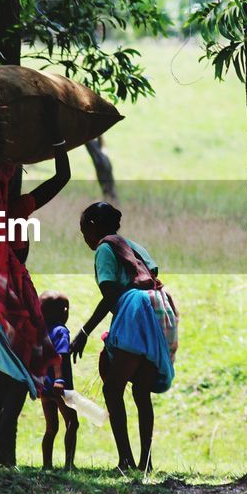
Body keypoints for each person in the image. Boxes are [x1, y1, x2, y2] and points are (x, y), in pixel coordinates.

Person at [0, 104, 70, 466]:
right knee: (21, 368)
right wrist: (58, 142)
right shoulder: (11, 211)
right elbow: (60, 179)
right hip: (7, 300)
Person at [71, 202, 178, 472]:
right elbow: (151, 277)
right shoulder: (135, 246)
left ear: (93, 226)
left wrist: (84, 332)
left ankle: (126, 461)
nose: (84, 238)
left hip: (135, 310)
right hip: (160, 306)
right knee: (141, 390)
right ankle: (146, 462)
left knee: (112, 389)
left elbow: (111, 296)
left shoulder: (105, 248)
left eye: (84, 231)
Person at [38, 291, 79, 470]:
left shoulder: (40, 332)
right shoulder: (61, 331)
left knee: (51, 428)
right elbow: (59, 356)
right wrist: (60, 379)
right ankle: (69, 464)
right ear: (64, 311)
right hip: (59, 387)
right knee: (72, 422)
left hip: (44, 386)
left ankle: (47, 465)